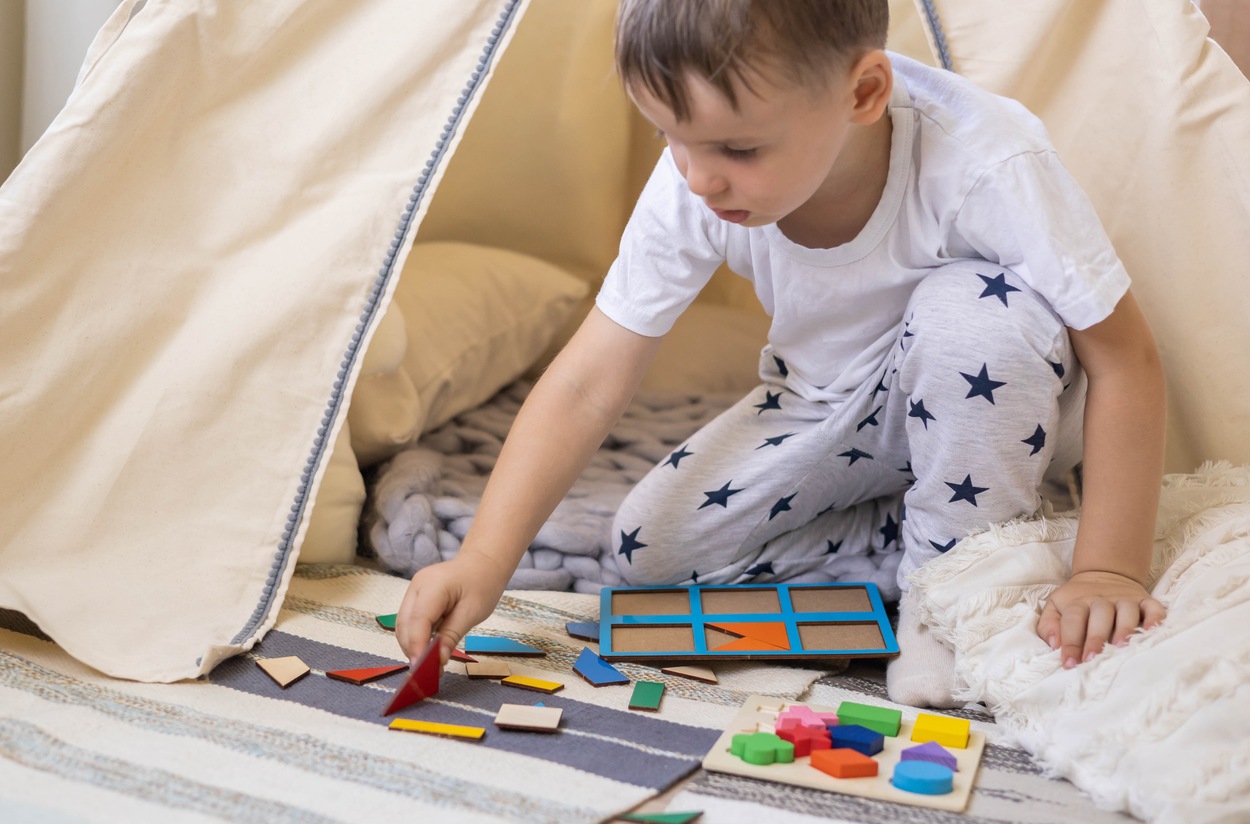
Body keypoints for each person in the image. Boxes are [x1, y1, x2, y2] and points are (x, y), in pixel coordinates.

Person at [397, 0, 1167, 707]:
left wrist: (1108, 568)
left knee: (968, 315)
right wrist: (486, 557)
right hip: (827, 406)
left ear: (862, 93)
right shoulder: (697, 175)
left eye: (737, 147)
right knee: (647, 558)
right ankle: (927, 538)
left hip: (991, 397)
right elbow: (588, 381)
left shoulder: (987, 159)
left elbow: (1126, 358)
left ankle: (953, 592)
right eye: (669, 137)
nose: (698, 178)